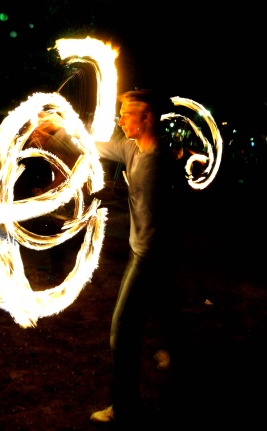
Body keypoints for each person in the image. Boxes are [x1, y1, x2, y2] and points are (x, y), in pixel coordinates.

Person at [88, 89, 183, 428]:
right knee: (166, 310)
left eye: (128, 114)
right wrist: (58, 129)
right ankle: (177, 357)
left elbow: (172, 212)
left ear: (147, 119)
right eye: (121, 113)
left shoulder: (161, 165)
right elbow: (95, 146)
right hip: (145, 251)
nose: (121, 119)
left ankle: (124, 406)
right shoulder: (130, 148)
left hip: (150, 256)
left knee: (122, 333)